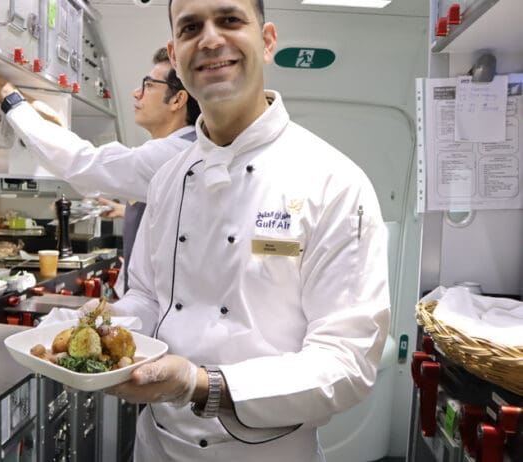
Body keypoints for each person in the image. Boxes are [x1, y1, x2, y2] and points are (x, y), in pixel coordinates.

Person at [81, 1, 391, 460]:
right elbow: (146, 296)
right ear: (176, 53)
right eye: (190, 28)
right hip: (158, 446)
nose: (209, 39)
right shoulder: (167, 179)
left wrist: (200, 385)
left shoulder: (333, 181)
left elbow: (347, 364)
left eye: (229, 20)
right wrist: (107, 330)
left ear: (266, 41)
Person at [0, 47, 201, 293]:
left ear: (178, 100)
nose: (137, 93)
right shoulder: (185, 148)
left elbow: (81, 162)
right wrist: (126, 210)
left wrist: (9, 98)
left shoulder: (172, 155)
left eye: (148, 85)